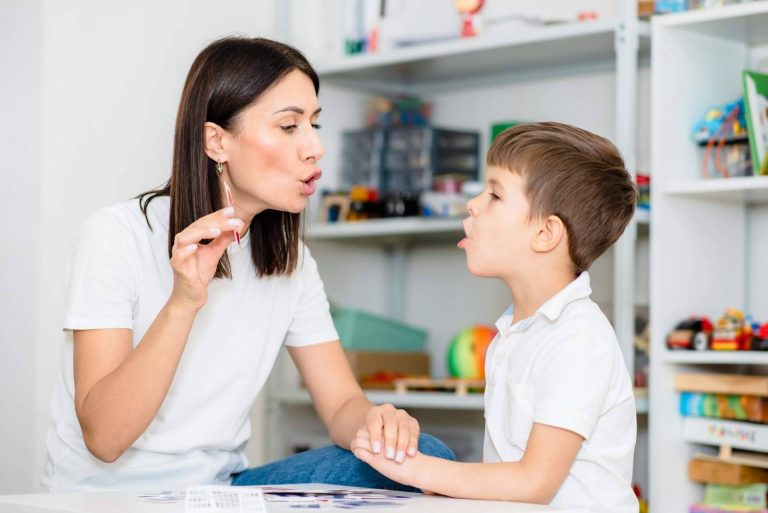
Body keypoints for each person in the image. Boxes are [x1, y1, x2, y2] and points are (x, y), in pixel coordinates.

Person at [43, 36, 453, 492]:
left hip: (218, 492)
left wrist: (377, 422)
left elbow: (340, 405)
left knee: (427, 458)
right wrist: (183, 303)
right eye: (288, 126)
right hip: (109, 498)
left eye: (314, 123)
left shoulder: (291, 262)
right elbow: (106, 437)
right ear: (217, 140)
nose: (315, 147)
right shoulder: (118, 235)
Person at [352, 122, 639, 513]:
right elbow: (507, 477)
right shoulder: (511, 334)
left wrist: (416, 470)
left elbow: (533, 482)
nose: (473, 203)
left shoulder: (579, 339)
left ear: (545, 233)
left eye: (494, 194)